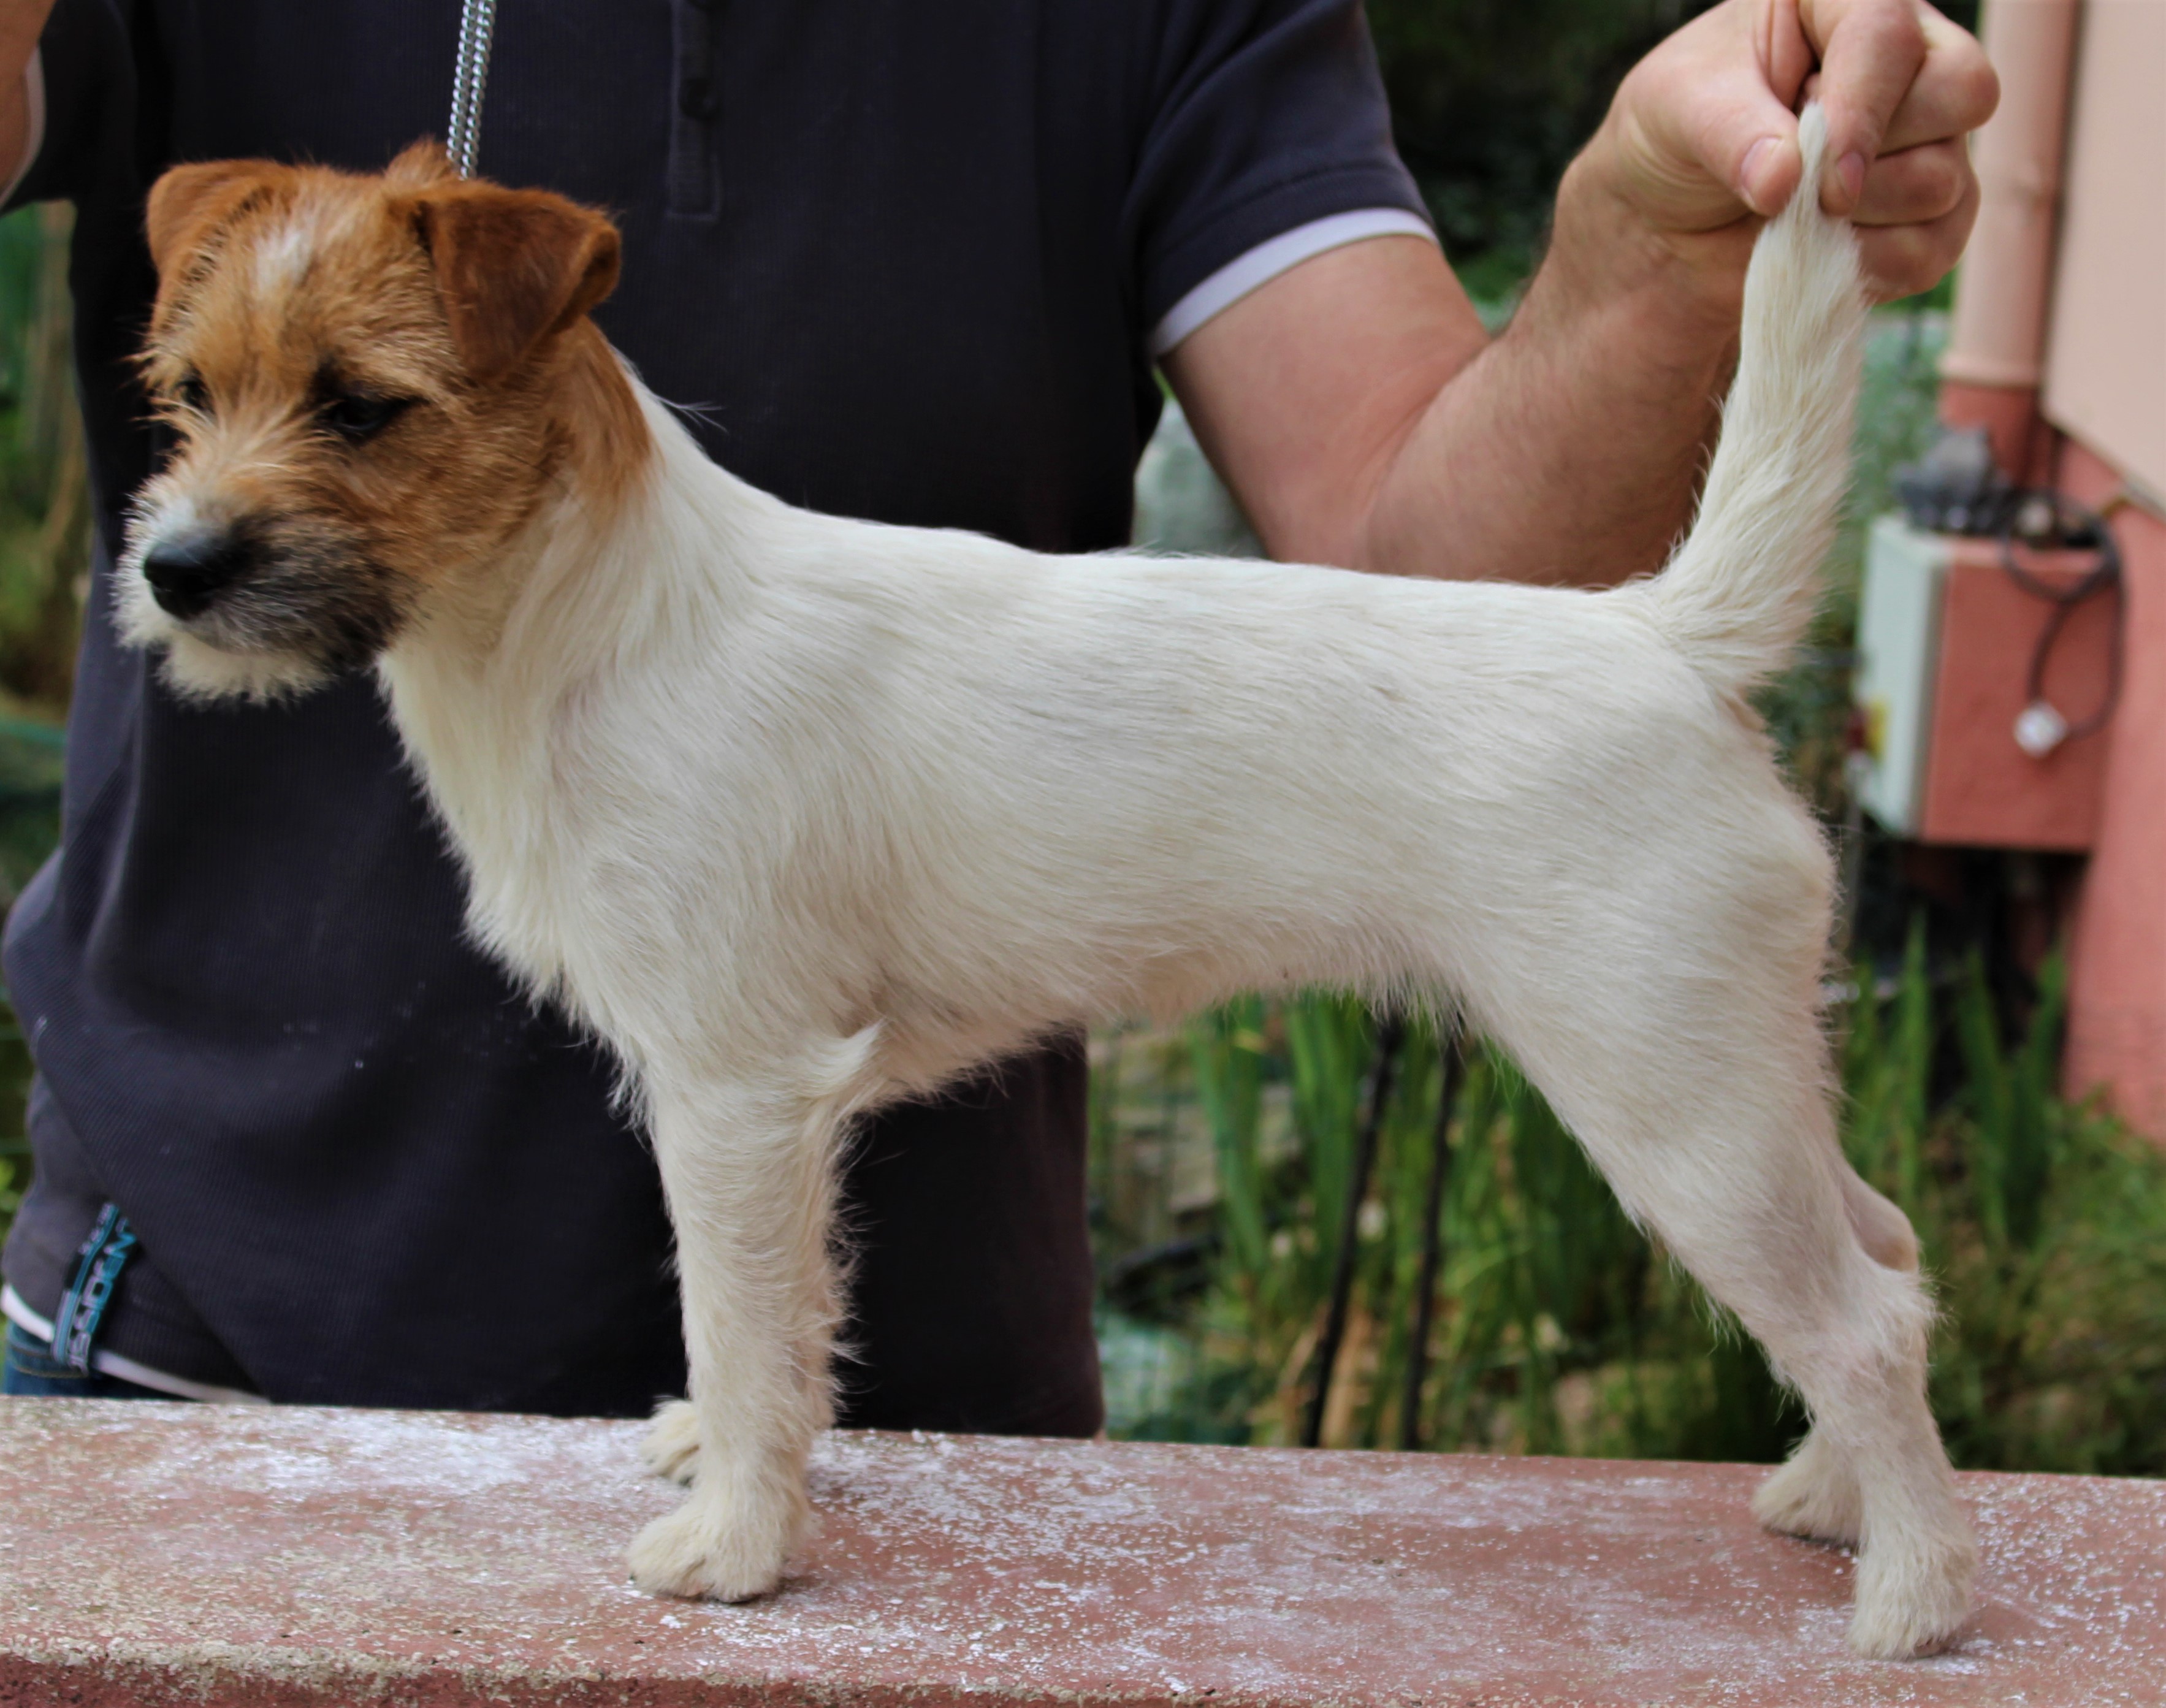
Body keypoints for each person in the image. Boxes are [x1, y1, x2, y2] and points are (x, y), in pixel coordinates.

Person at [0, 0, 1992, 1418]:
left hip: (939, 1416)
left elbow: (1448, 616)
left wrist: (1655, 257)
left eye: (349, 413)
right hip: (194, 1324)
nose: (215, 495)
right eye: (205, 407)